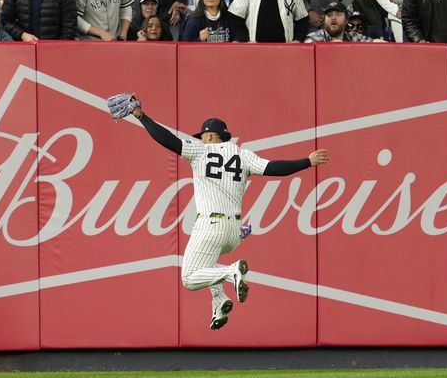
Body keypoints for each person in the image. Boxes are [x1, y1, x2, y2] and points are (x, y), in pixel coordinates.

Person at [122, 100, 329, 330]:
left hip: (211, 225)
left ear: (210, 137)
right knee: (207, 264)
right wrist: (307, 162)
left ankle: (232, 272)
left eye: (203, 135)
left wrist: (141, 116)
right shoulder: (243, 155)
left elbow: (167, 140)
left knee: (190, 279)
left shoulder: (201, 150)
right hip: (234, 232)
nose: (201, 139)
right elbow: (273, 168)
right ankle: (219, 301)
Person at [304, 1, 376, 42]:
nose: (333, 18)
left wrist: (377, 42)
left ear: (346, 21)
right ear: (324, 21)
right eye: (329, 15)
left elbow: (373, 43)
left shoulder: (353, 37)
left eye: (338, 15)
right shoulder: (313, 38)